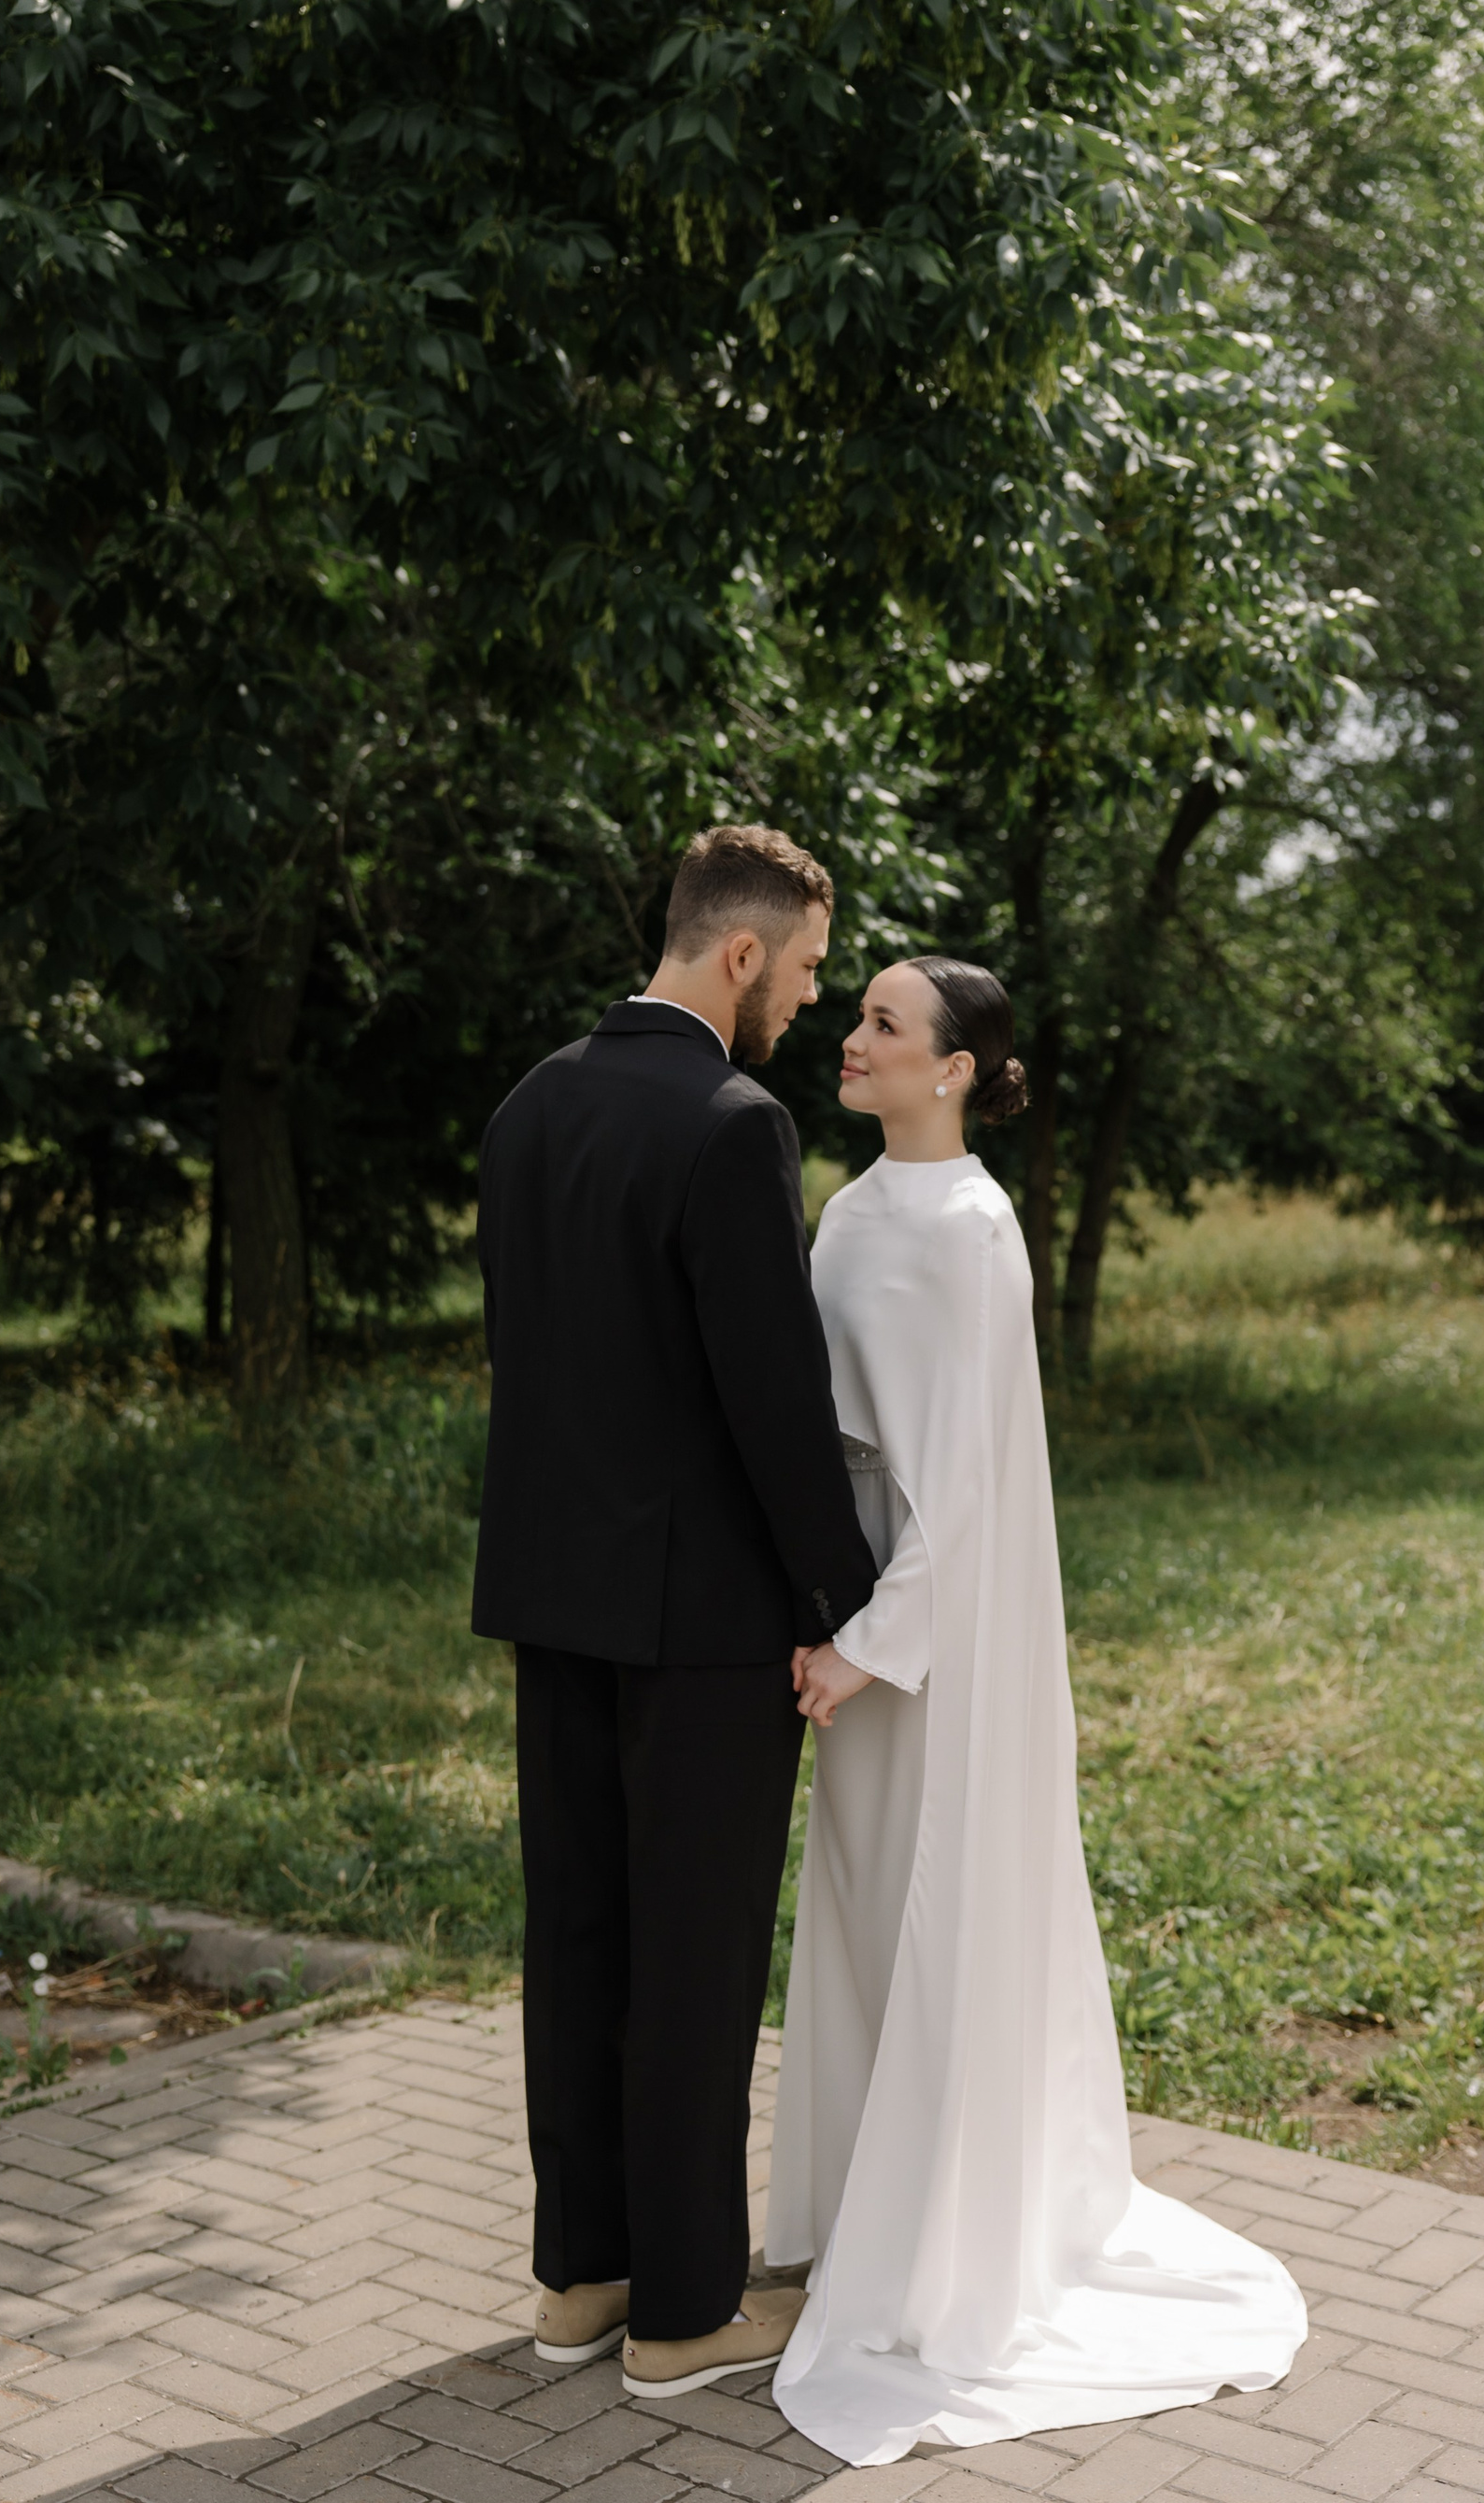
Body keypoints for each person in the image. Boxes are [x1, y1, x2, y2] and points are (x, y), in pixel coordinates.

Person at [766, 957, 1307, 2467]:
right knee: (863, 1900)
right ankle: (860, 2214)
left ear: (953, 1068)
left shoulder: (973, 1229)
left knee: (934, 1898)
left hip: (934, 1637)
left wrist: (872, 1645)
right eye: (858, 1014)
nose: (853, 1038)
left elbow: (972, 1478)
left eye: (885, 1024)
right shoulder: (848, 1213)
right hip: (852, 1607)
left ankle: (939, 2246)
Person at [472, 825, 880, 2399]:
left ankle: (583, 2277)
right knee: (694, 1967)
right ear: (740, 953)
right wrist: (843, 1601)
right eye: (808, 969)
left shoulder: (529, 1105)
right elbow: (773, 1401)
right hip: (700, 1619)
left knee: (579, 1938)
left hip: (553, 1596)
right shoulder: (731, 1123)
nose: (811, 998)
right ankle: (685, 2314)